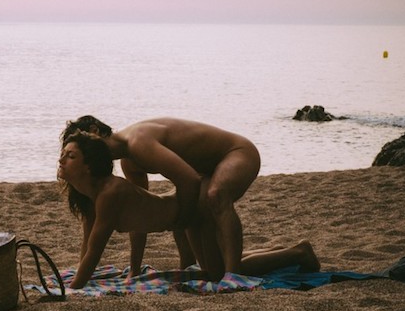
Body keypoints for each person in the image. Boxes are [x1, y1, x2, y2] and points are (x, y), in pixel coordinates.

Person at [59, 130, 319, 289]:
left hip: (192, 211)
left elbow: (95, 250)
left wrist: (74, 287)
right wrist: (132, 269)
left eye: (71, 156)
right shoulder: (91, 193)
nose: (61, 159)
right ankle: (278, 251)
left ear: (89, 166)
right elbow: (90, 242)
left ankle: (298, 253)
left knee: (219, 272)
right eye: (63, 154)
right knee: (214, 265)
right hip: (183, 213)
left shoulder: (110, 193)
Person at [62, 115, 260, 281]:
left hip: (236, 152)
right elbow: (139, 210)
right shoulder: (128, 161)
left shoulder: (138, 142)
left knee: (215, 196)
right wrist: (135, 268)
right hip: (204, 173)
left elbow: (189, 181)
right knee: (208, 264)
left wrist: (184, 220)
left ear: (95, 130)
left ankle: (233, 276)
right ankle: (211, 267)